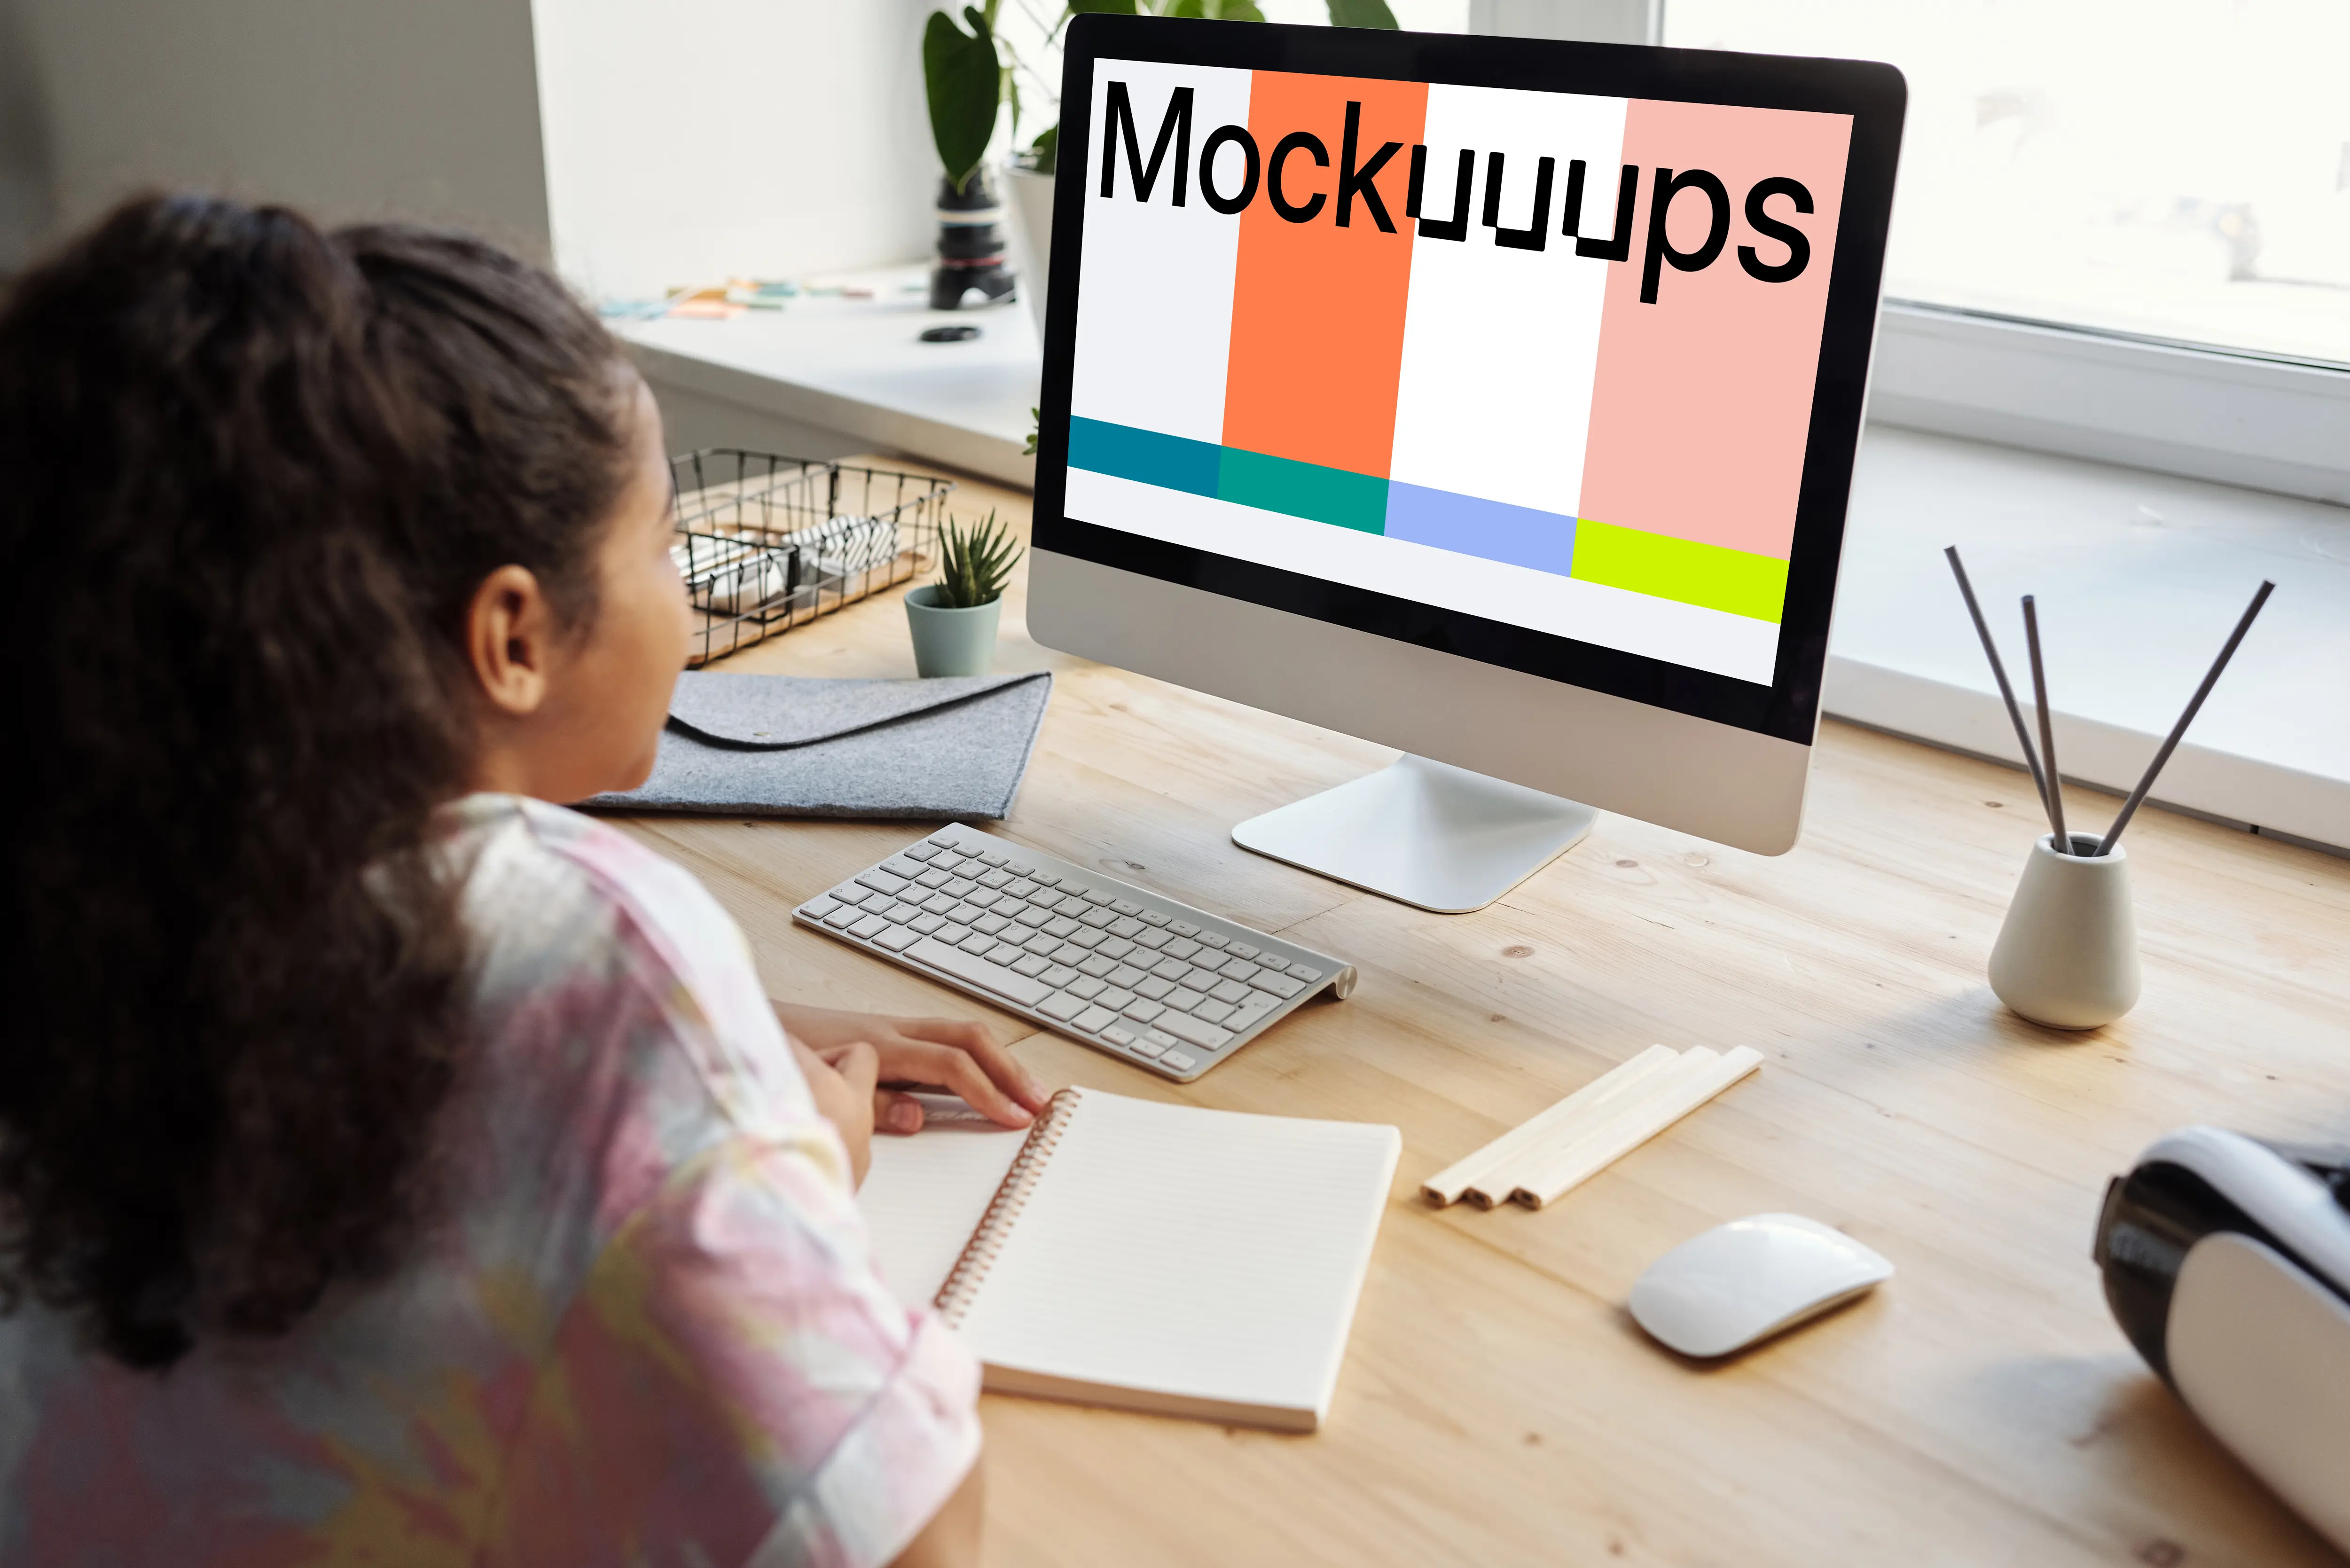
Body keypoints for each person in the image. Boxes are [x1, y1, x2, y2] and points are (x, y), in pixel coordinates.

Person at [0, 194, 1047, 1566]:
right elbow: (911, 1538)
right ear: (510, 635)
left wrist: (729, 1059)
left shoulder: (94, 876)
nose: (682, 590)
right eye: (668, 544)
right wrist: (801, 1166)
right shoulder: (592, 953)